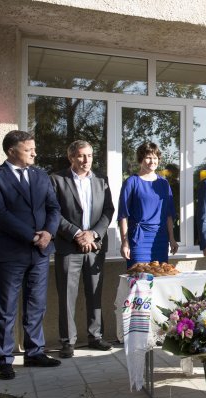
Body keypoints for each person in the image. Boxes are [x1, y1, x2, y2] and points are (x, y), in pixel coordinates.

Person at [0, 130, 62, 380]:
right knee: (5, 307)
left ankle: (34, 352)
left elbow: (54, 208)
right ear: (11, 151)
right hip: (9, 253)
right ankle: (4, 359)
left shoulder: (41, 175)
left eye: (34, 149)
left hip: (40, 252)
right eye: (29, 149)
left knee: (36, 304)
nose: (35, 153)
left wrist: (48, 233)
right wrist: (32, 236)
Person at [50, 140, 115, 359]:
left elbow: (108, 210)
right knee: (67, 296)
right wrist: (77, 234)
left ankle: (95, 337)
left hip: (94, 247)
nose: (86, 160)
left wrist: (93, 234)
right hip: (69, 247)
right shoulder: (57, 180)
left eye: (89, 155)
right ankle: (68, 342)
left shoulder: (101, 180)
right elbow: (53, 213)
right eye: (81, 156)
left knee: (94, 293)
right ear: (71, 157)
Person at [118, 142, 178, 268]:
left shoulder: (164, 183)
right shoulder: (131, 182)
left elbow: (168, 214)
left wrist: (172, 238)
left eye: (155, 158)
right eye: (148, 157)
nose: (152, 161)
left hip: (160, 239)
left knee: (160, 277)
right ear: (141, 159)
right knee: (139, 280)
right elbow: (123, 215)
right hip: (139, 240)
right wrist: (125, 242)